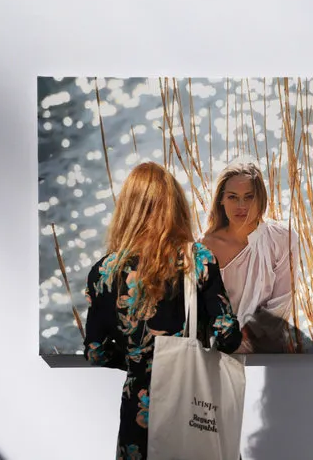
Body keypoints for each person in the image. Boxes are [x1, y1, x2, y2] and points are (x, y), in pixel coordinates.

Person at [83, 161, 242, 460]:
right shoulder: (197, 259)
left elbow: (95, 351)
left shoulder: (104, 272)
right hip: (193, 407)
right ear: (174, 206)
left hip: (139, 416)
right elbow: (228, 336)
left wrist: (138, 361)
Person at [201, 159, 299, 354]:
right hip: (218, 354)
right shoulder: (204, 247)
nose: (241, 205)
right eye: (232, 197)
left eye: (249, 197)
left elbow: (281, 304)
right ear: (221, 199)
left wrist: (244, 342)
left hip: (267, 351)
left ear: (260, 199)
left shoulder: (282, 239)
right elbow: (200, 312)